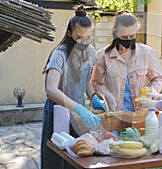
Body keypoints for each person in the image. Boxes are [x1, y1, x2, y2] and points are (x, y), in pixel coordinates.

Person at [41, 6, 102, 169]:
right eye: (79, 38)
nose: (84, 42)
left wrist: (94, 97)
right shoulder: (60, 54)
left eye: (88, 38)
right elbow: (51, 90)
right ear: (69, 34)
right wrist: (79, 108)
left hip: (78, 116)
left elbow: (87, 82)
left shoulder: (91, 53)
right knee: (56, 161)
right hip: (57, 114)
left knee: (78, 159)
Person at [91, 11, 162, 112]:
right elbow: (96, 83)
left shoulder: (146, 53)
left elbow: (159, 78)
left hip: (141, 113)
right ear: (116, 33)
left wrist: (152, 92)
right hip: (115, 114)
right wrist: (107, 96)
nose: (129, 40)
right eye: (124, 37)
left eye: (132, 36)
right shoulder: (103, 56)